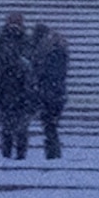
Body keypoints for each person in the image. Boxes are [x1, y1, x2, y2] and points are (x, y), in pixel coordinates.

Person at [0, 12, 35, 160]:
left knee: (9, 126)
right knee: (19, 126)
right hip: (19, 88)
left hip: (8, 87)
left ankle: (7, 153)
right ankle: (19, 153)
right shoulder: (24, 39)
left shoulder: (2, 39)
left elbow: (0, 64)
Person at [30, 21, 70, 158]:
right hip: (55, 92)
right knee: (50, 124)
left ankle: (53, 150)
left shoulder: (48, 53)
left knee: (49, 125)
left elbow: (47, 73)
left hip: (49, 92)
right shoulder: (59, 52)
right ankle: (52, 149)